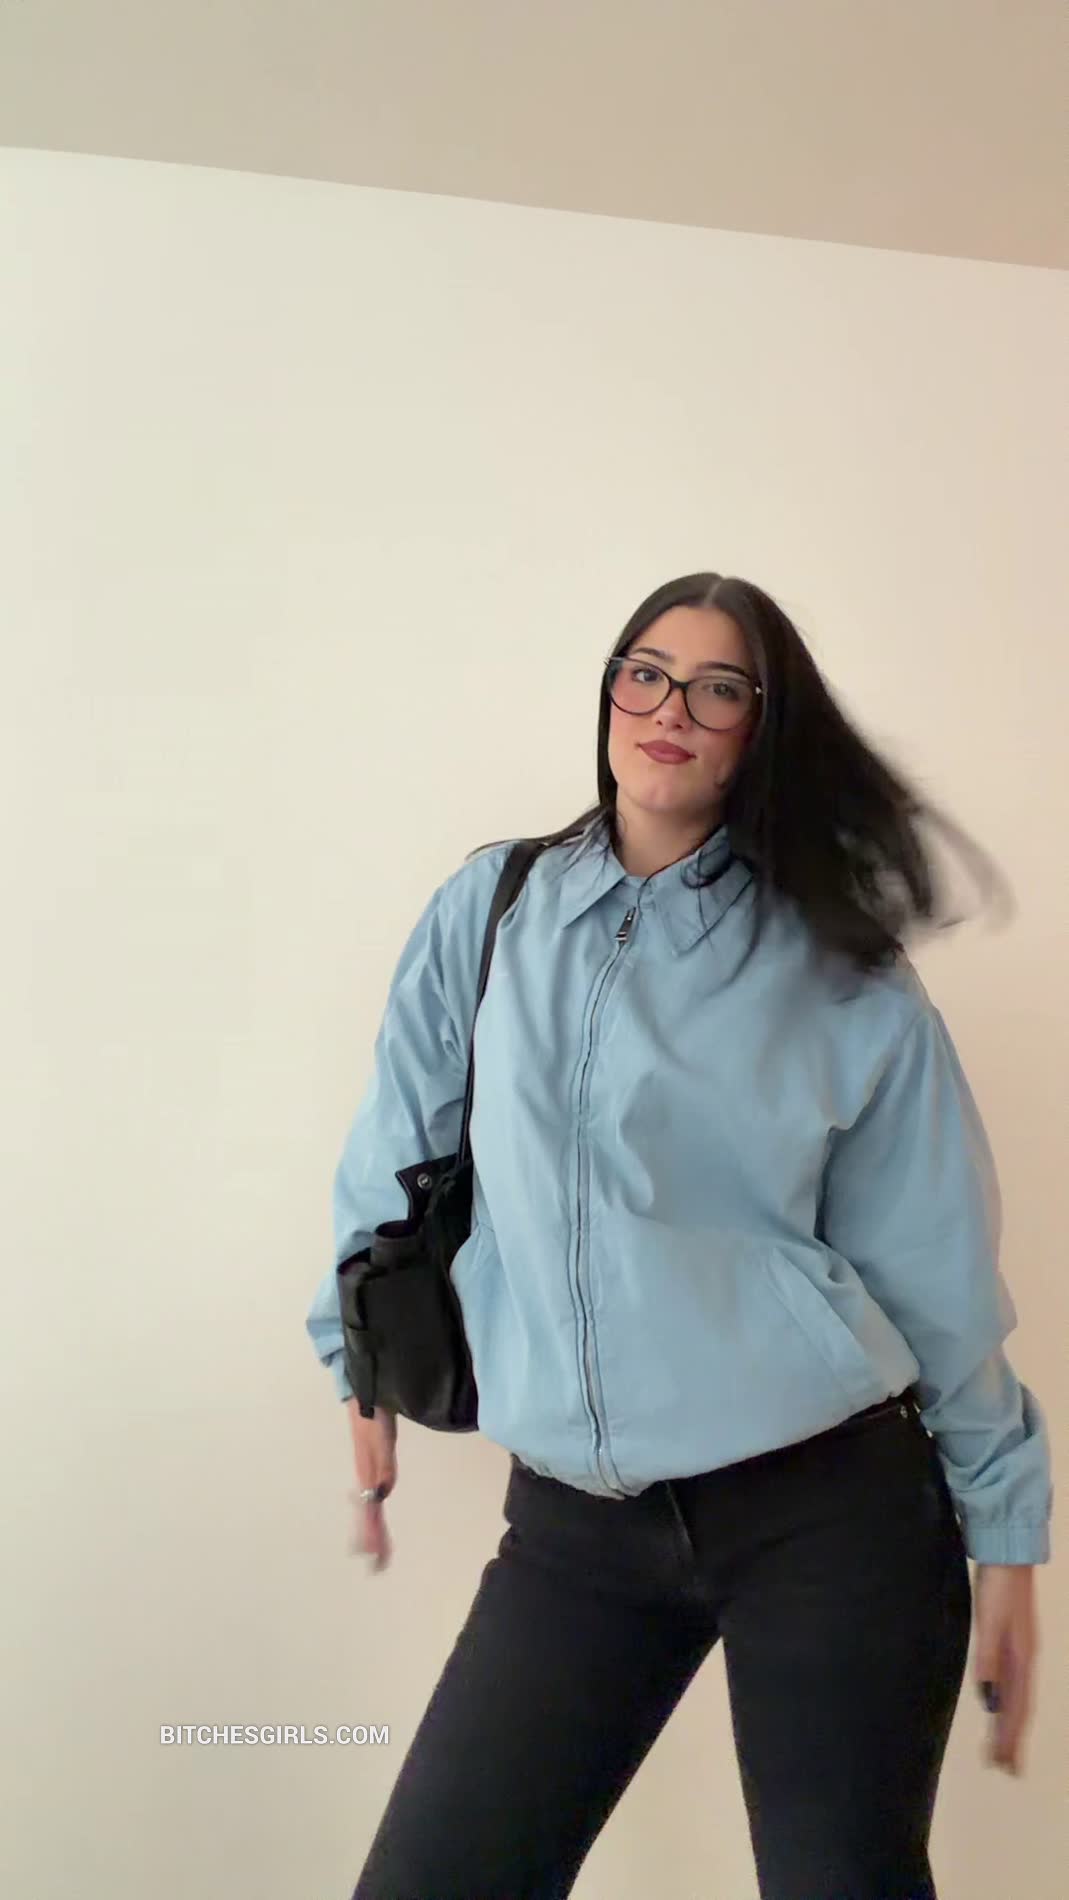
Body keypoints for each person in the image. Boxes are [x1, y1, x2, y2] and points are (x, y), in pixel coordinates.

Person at [305, 572, 1052, 1900]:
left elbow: (935, 1270)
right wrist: (359, 1362)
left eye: (718, 690)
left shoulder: (839, 969)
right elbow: (396, 1158)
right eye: (645, 673)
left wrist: (1004, 1531)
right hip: (575, 1532)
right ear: (608, 691)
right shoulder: (492, 910)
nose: (670, 709)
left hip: (826, 1514)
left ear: (760, 731)